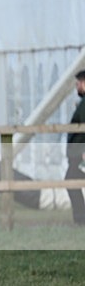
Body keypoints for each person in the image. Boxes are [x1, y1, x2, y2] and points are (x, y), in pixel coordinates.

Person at [64, 70, 85, 225]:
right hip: (78, 153)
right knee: (71, 180)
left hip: (81, 153)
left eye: (79, 83)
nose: (77, 86)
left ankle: (81, 219)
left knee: (71, 180)